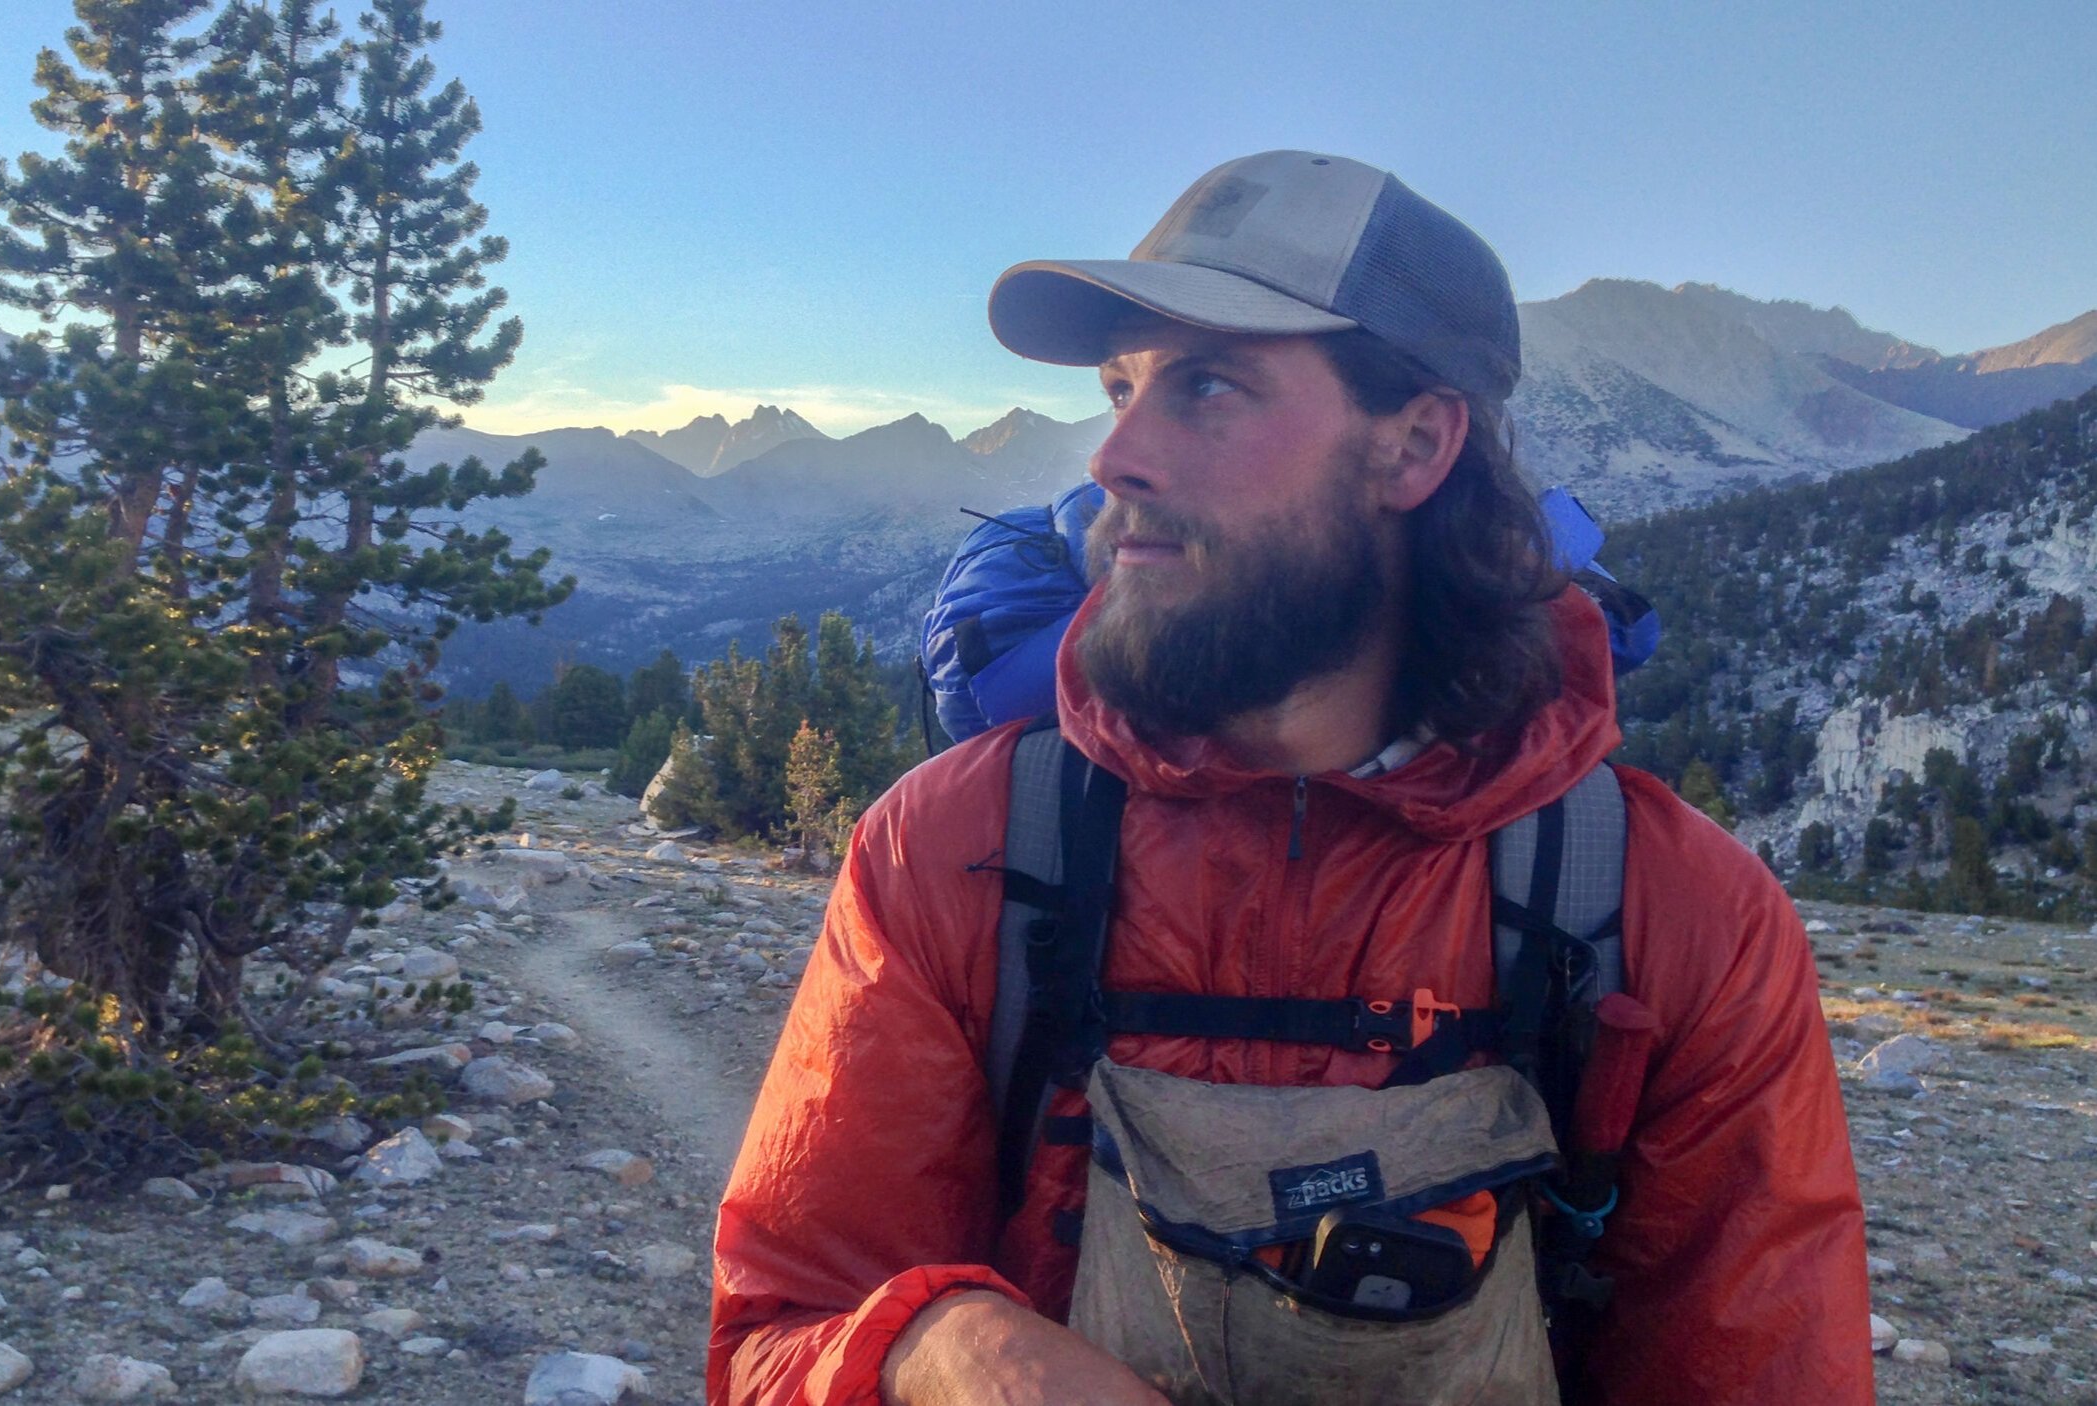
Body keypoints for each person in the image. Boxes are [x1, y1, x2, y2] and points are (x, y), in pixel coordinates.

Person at [708, 151, 1871, 1405]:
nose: (1113, 457)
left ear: (1416, 443)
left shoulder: (1671, 915)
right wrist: (940, 1351)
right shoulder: (956, 847)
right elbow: (776, 1331)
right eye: (1120, 385)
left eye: (1207, 385)